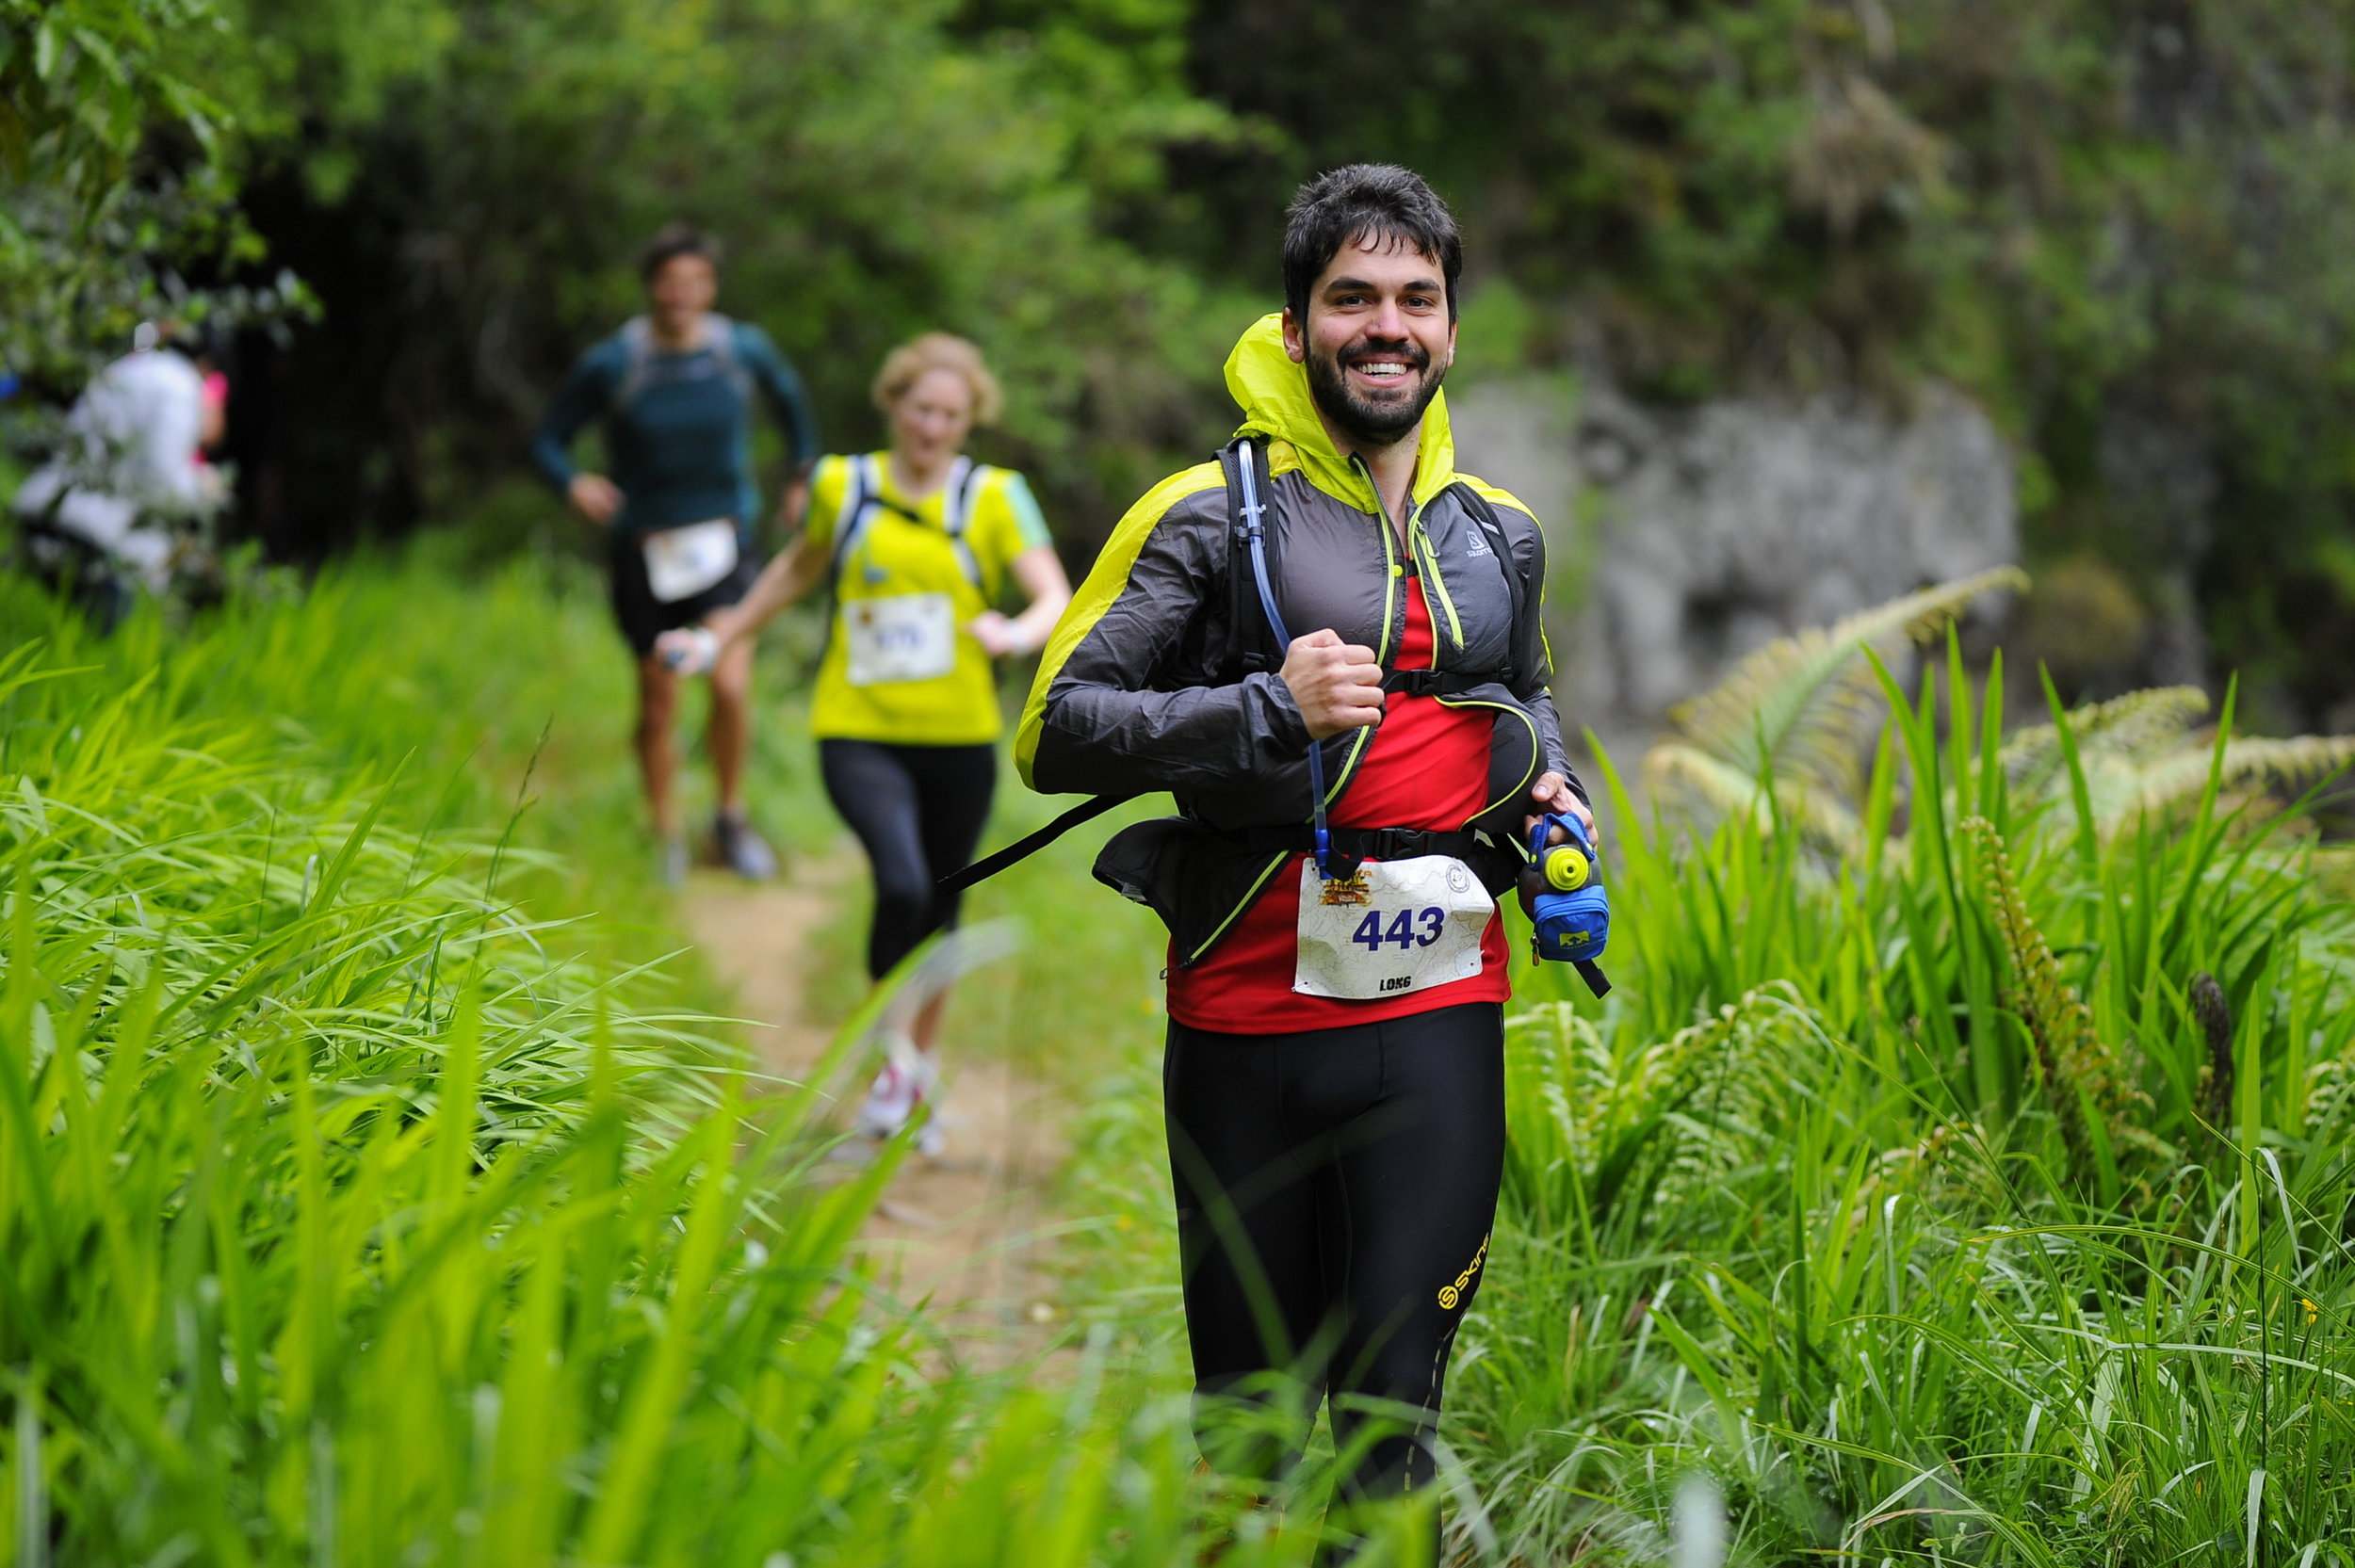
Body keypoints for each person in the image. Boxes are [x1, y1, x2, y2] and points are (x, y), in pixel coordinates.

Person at [1015, 165, 1594, 1549]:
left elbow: (1529, 695)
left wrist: (1558, 804)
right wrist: (1261, 708)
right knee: (1251, 1425)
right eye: (1353, 299)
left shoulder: (1498, 533)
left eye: (1416, 299)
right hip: (1246, 1015)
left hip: (1443, 1001)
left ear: (1451, 332)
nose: (1386, 326)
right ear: (1294, 328)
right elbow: (1055, 729)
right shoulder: (1205, 517)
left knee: (1393, 1417)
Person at [661, 333, 1072, 1151]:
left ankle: (912, 1070)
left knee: (944, 902)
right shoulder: (842, 485)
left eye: (952, 415)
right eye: (922, 408)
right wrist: (721, 639)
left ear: (970, 421)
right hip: (857, 730)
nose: (934, 427)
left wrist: (1013, 630)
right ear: (894, 404)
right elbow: (794, 570)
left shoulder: (996, 497)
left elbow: (1052, 596)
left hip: (959, 738)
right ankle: (892, 1057)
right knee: (901, 879)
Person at [532, 223, 819, 884]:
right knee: (659, 701)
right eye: (670, 280)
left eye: (696, 281)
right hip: (646, 551)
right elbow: (549, 439)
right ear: (651, 286)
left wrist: (802, 477)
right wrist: (573, 482)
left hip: (726, 544)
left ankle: (730, 816)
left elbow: (792, 404)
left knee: (729, 681)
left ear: (711, 287)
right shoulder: (616, 363)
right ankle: (665, 833)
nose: (682, 294)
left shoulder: (739, 350)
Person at [11, 320, 228, 631]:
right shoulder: (181, 388)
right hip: (94, 536)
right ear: (207, 367)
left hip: (44, 509)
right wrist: (205, 490)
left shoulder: (129, 367)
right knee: (90, 654)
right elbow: (160, 481)